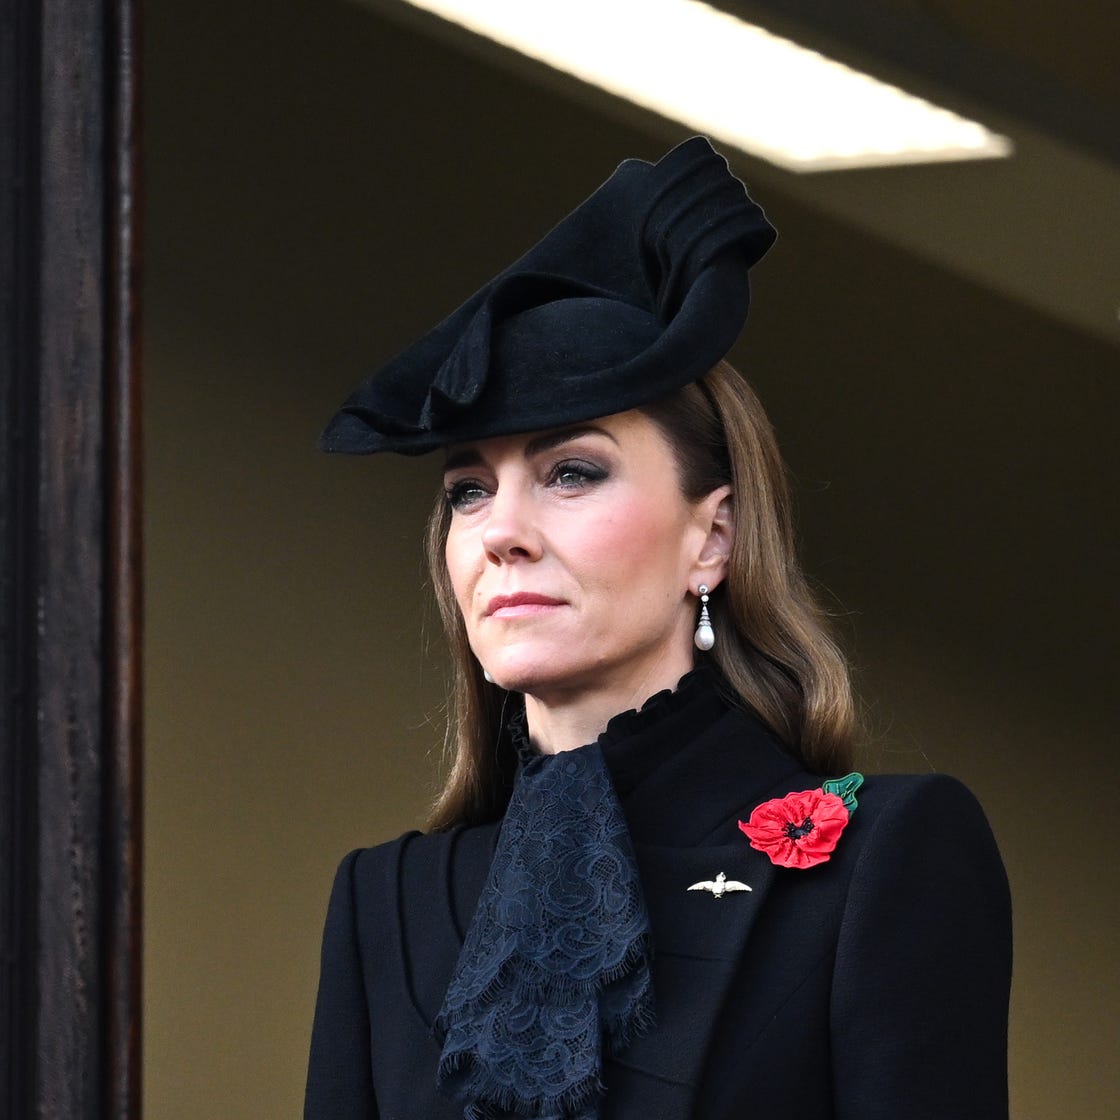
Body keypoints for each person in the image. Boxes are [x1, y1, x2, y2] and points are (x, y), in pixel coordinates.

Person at [305, 137, 1011, 1120]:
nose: (500, 531)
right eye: (468, 490)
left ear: (710, 537)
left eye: (572, 471)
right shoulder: (384, 899)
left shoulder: (883, 855)